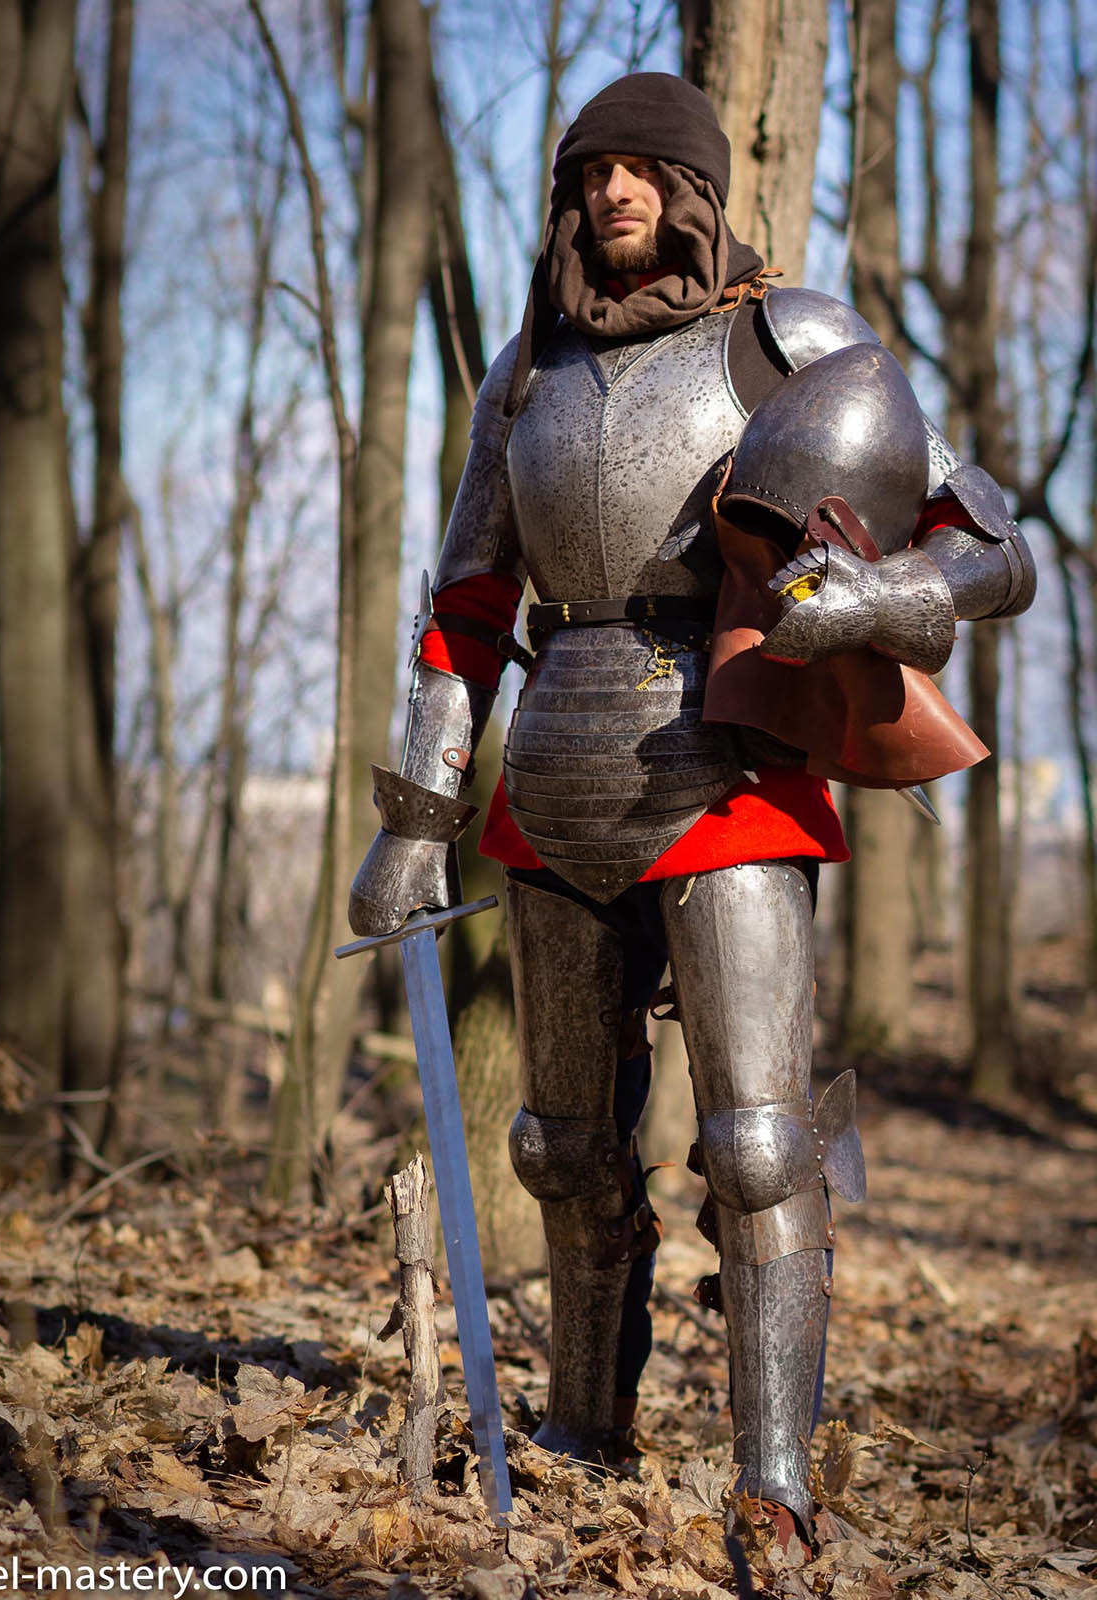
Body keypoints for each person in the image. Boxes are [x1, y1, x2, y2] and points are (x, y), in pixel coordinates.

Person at [347, 73, 1035, 1549]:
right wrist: (416, 813)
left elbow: (992, 543)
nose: (612, 195)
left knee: (761, 1146)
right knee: (561, 1146)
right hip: (553, 765)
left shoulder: (792, 340)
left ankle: (773, 1483)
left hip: (730, 755)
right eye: (589, 173)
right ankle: (586, 1429)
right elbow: (467, 602)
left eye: (642, 172)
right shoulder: (522, 375)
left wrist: (874, 595)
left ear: (696, 191)